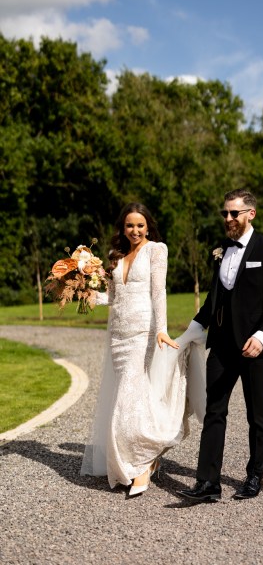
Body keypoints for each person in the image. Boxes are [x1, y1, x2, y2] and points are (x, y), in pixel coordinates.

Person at [81, 202, 206, 496]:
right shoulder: (115, 255)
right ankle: (143, 462)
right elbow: (113, 296)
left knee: (129, 401)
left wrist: (161, 329)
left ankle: (140, 465)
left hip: (143, 335)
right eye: (129, 225)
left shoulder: (156, 250)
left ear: (148, 226)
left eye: (139, 225)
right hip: (118, 336)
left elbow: (158, 292)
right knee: (126, 400)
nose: (134, 230)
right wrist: (85, 293)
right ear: (122, 228)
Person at [177, 189, 263, 502]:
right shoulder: (220, 250)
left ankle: (255, 476)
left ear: (250, 213)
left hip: (254, 347)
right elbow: (214, 300)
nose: (228, 218)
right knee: (214, 412)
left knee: (257, 414)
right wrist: (186, 335)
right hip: (222, 346)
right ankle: (208, 482)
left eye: (234, 213)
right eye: (225, 213)